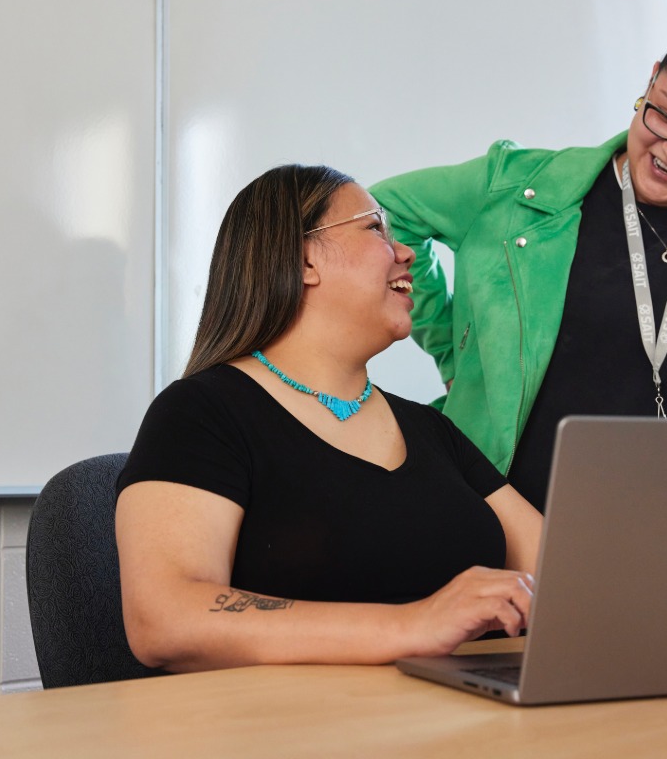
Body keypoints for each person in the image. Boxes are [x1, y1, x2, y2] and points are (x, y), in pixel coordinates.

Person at [370, 9, 667, 513]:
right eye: (665, 114)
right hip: (503, 526)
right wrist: (453, 351)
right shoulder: (516, 186)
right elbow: (381, 215)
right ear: (650, 79)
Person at [115, 165, 543, 672]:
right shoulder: (201, 413)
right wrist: (413, 626)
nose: (405, 251)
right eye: (375, 228)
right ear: (303, 260)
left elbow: (564, 577)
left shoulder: (432, 430)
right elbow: (164, 619)